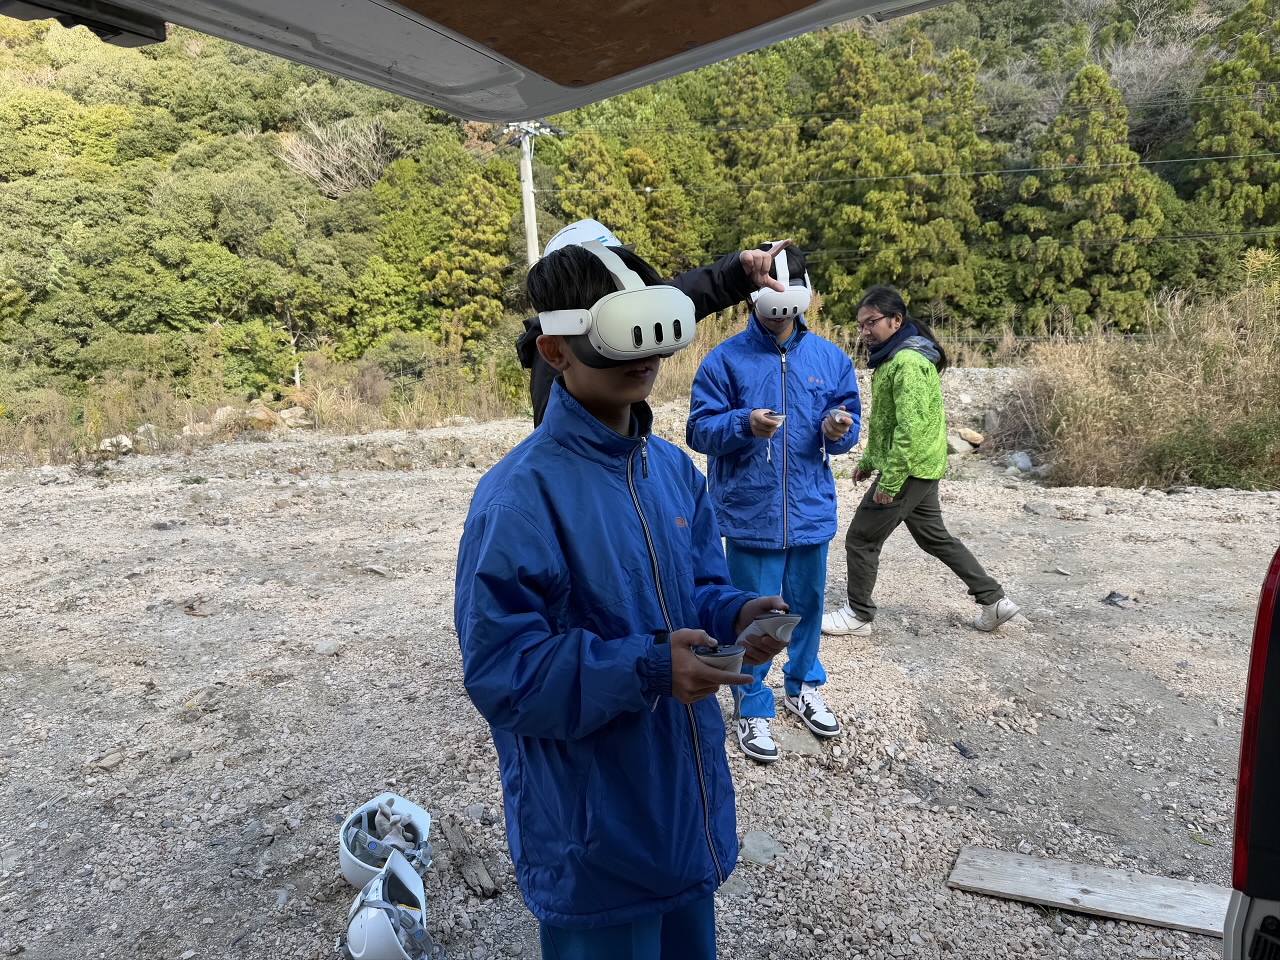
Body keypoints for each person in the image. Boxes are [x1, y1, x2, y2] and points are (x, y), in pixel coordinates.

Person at [455, 238, 791, 960]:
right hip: (593, 835)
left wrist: (735, 613)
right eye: (619, 339)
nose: (645, 358)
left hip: (682, 816)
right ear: (555, 351)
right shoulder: (518, 498)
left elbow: (698, 586)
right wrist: (646, 668)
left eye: (654, 334)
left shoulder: (671, 469)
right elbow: (503, 672)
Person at [687, 243, 861, 763]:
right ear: (752, 297)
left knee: (806, 605)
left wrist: (838, 429)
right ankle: (752, 702)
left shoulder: (830, 358)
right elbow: (699, 430)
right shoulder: (724, 359)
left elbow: (847, 425)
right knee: (753, 614)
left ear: (807, 296)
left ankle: (803, 685)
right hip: (750, 513)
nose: (781, 308)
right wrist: (744, 424)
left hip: (809, 511)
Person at [821, 285, 1020, 638]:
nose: (865, 331)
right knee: (935, 537)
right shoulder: (895, 359)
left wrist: (890, 481)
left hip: (909, 469)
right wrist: (870, 460)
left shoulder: (907, 363)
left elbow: (909, 430)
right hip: (922, 467)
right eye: (861, 325)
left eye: (871, 322)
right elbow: (888, 422)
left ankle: (858, 614)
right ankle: (994, 600)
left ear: (896, 320)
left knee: (862, 539)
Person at [516, 219, 790, 426]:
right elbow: (552, 434)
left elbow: (681, 295)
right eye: (614, 329)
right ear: (555, 350)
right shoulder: (559, 348)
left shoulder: (671, 466)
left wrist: (736, 275)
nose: (644, 349)